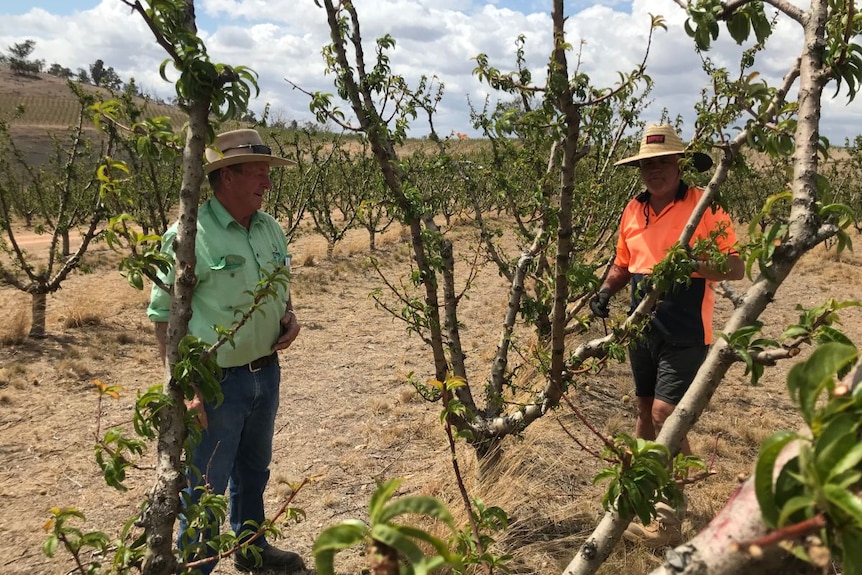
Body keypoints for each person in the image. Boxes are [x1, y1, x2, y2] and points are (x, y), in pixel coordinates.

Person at [147, 129, 305, 573]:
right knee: (205, 484)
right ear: (226, 177)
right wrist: (185, 386)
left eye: (267, 175)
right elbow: (164, 318)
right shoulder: (188, 235)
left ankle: (251, 549)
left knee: (255, 469)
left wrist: (289, 316)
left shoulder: (270, 226)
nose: (267, 184)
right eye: (257, 174)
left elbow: (281, 287)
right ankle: (197, 565)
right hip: (216, 381)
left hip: (265, 372)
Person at [589, 123, 744, 547]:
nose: (654, 170)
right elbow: (624, 263)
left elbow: (735, 267)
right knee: (643, 413)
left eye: (661, 161)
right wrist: (605, 291)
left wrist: (690, 262)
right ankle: (656, 487)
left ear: (679, 163)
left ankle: (669, 518)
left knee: (663, 416)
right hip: (642, 326)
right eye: (646, 164)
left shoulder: (703, 205)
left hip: (687, 327)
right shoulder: (633, 209)